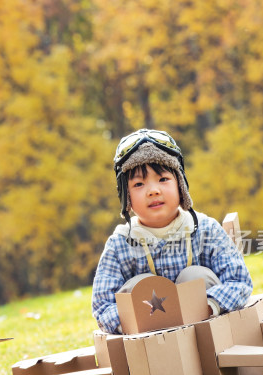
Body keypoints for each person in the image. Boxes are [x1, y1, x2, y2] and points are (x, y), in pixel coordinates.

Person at [91, 128, 252, 334]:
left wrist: (209, 306)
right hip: (147, 341)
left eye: (163, 179)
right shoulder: (120, 244)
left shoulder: (206, 230)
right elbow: (102, 305)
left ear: (180, 184)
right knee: (141, 286)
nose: (153, 190)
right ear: (126, 197)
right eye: (139, 184)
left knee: (195, 276)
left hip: (206, 329)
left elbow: (239, 281)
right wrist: (130, 323)